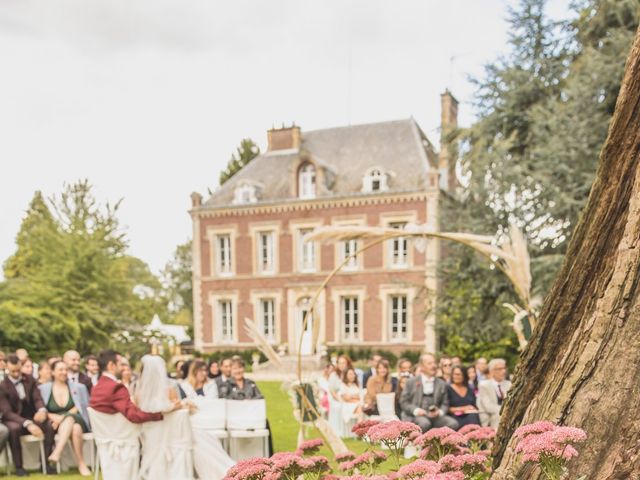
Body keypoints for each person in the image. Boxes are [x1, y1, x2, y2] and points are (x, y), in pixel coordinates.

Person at [135, 355, 193, 480]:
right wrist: (178, 406)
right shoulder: (169, 390)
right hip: (168, 431)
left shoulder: (139, 392)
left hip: (147, 432)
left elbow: (138, 409)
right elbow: (176, 409)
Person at [0, 354, 55, 476]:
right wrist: (28, 424)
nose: (16, 374)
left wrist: (41, 410)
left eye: (18, 370)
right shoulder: (2, 385)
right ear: (7, 369)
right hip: (13, 419)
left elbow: (37, 399)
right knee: (14, 429)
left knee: (49, 425)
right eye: (12, 371)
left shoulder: (30, 380)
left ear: (20, 366)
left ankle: (45, 464)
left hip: (31, 415)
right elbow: (7, 412)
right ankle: (19, 467)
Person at [180, 361, 234, 479]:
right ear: (194, 372)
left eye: (205, 371)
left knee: (207, 441)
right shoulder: (184, 386)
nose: (204, 374)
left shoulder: (211, 384)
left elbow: (212, 403)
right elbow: (187, 404)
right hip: (193, 423)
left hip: (211, 420)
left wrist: (197, 404)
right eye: (201, 371)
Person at [89, 350, 173, 423]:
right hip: (124, 437)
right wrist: (160, 415)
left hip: (105, 435)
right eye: (120, 364)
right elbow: (134, 416)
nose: (122, 368)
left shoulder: (96, 387)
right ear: (111, 365)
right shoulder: (116, 388)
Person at [39, 360, 91, 476]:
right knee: (75, 429)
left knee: (71, 419)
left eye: (65, 369)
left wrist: (62, 418)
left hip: (77, 418)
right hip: (55, 424)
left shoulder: (79, 388)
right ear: (53, 372)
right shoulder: (43, 389)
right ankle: (81, 464)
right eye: (60, 370)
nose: (64, 372)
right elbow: (40, 408)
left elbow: (82, 406)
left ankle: (57, 451)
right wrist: (51, 416)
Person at [399, 353, 458, 432]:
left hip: (435, 417)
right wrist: (416, 410)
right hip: (415, 416)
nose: (433, 365)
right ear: (422, 366)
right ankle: (416, 443)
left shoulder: (441, 383)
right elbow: (403, 402)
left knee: (453, 423)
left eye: (434, 363)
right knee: (424, 423)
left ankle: (438, 443)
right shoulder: (411, 382)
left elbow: (445, 403)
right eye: (430, 363)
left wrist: (439, 412)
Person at [477, 358, 511, 428]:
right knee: (498, 416)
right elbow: (488, 407)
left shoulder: (509, 384)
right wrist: (506, 410)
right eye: (500, 369)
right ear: (492, 371)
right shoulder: (484, 385)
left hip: (507, 414)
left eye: (504, 368)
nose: (504, 371)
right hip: (490, 417)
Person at [328, 355, 351, 437]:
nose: (342, 365)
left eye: (344, 363)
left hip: (349, 397)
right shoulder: (333, 375)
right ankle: (341, 431)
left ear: (348, 364)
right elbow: (332, 391)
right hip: (337, 399)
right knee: (341, 406)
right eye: (340, 363)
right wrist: (340, 399)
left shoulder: (350, 373)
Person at [339, 368, 362, 437]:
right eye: (350, 374)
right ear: (346, 375)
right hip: (347, 405)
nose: (353, 376)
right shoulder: (343, 385)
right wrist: (355, 397)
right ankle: (360, 431)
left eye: (353, 374)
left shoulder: (355, 385)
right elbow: (346, 399)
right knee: (359, 407)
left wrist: (351, 396)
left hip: (357, 404)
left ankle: (362, 429)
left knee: (362, 407)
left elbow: (359, 396)